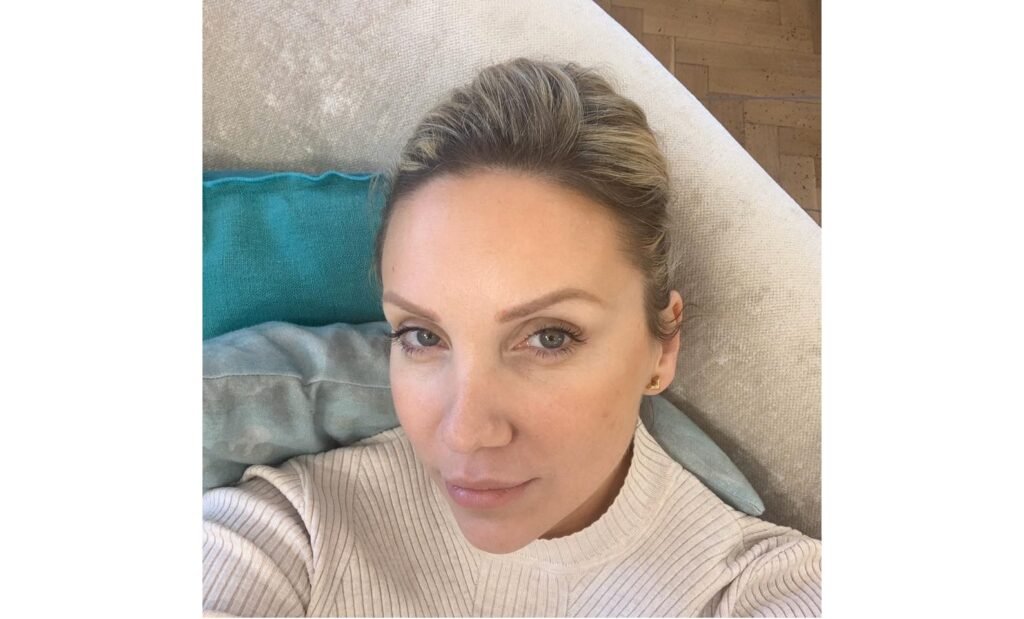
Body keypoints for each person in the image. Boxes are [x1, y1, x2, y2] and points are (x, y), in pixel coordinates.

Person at [203, 57, 822, 617]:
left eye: (549, 337)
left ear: (663, 347)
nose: (466, 432)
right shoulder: (295, 531)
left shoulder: (752, 589)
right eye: (422, 335)